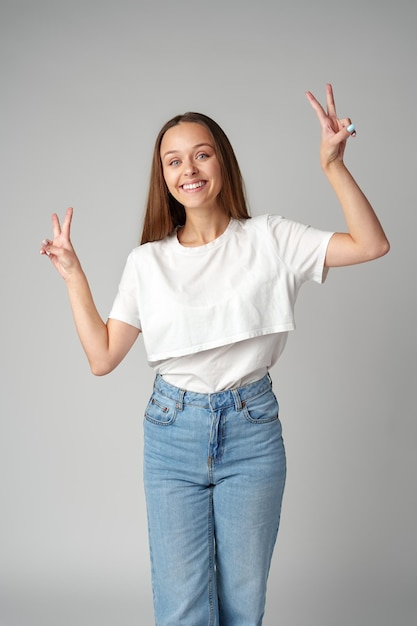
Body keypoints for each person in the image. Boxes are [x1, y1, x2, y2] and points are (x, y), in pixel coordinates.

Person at [40, 84, 389, 626]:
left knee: (242, 606)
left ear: (222, 160)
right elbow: (103, 356)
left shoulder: (271, 239)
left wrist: (333, 165)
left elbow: (371, 244)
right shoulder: (147, 262)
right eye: (173, 161)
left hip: (252, 430)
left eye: (201, 154)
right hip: (172, 432)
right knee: (182, 607)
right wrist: (72, 273)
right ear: (164, 178)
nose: (189, 170)